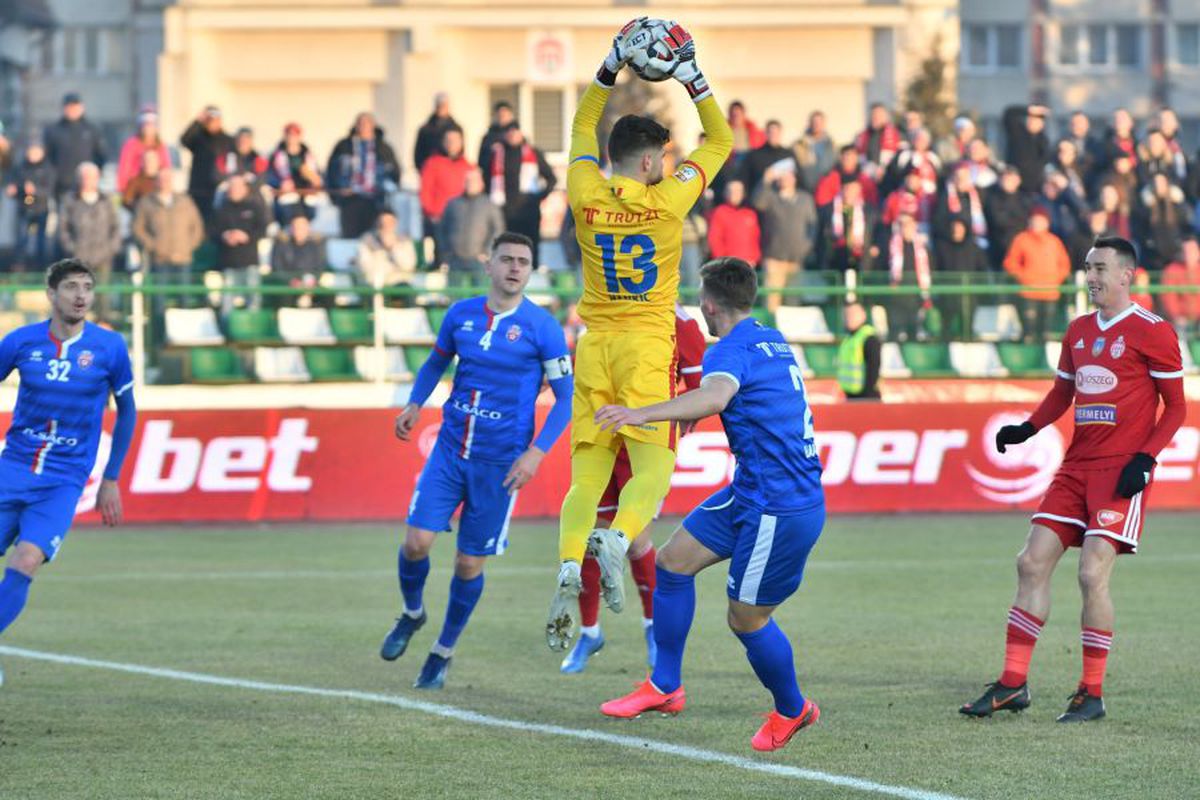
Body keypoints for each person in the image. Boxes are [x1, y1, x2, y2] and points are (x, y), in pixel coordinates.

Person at [548, 20, 733, 651]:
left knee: (585, 473)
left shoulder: (583, 189)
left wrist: (607, 68)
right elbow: (723, 138)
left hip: (593, 344)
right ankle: (620, 537)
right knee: (653, 466)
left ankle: (572, 561)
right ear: (653, 161)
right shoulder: (668, 200)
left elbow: (577, 130)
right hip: (645, 344)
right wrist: (691, 79)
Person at [596, 257, 825, 753]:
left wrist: (639, 414)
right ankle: (665, 686)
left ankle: (793, 709)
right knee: (674, 562)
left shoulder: (728, 352)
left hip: (780, 507)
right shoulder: (770, 337)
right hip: (755, 490)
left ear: (708, 303)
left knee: (745, 619)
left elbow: (716, 395)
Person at [960, 236, 1185, 723]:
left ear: (1127, 275)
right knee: (1031, 563)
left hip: (1120, 471)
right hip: (1075, 467)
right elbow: (1063, 392)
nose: (1091, 277)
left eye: (1101, 268)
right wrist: (1029, 427)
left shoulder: (1154, 331)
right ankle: (1013, 684)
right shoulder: (1079, 330)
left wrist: (1145, 458)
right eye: (1088, 268)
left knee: (1090, 574)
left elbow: (1178, 407)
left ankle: (1091, 693)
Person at [384, 232, 573, 689]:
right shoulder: (460, 314)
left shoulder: (543, 328)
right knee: (416, 544)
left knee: (469, 565)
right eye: (506, 259)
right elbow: (434, 363)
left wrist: (536, 453)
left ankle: (442, 651)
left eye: (523, 262)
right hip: (450, 452)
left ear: (530, 272)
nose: (514, 268)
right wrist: (415, 402)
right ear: (488, 265)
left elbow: (567, 399)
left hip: (501, 464)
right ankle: (412, 613)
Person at [0, 259, 137, 687]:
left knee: (26, 559)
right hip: (13, 468)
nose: (81, 295)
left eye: (87, 287)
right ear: (52, 295)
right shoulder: (20, 342)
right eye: (72, 287)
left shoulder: (110, 347)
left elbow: (128, 410)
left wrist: (111, 478)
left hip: (63, 479)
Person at [561, 303, 708, 674]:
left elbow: (699, 388)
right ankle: (590, 632)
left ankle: (652, 630)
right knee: (594, 536)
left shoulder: (681, 321)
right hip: (600, 434)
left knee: (636, 541)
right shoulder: (604, 310)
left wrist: (672, 418)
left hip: (643, 440)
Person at [132, 169, 205, 316]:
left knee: (184, 298)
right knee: (159, 301)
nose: (165, 182)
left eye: (168, 179)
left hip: (183, 259)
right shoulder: (146, 203)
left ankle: (182, 336)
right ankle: (160, 335)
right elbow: (138, 229)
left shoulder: (186, 201)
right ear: (156, 181)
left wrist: (188, 247)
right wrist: (153, 246)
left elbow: (197, 227)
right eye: (161, 179)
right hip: (159, 260)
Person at [480, 121, 555, 262]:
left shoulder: (533, 153)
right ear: (504, 135)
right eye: (509, 132)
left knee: (530, 248)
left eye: (515, 131)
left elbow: (551, 179)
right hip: (504, 213)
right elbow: (485, 178)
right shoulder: (496, 155)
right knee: (506, 250)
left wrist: (537, 197)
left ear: (521, 134)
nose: (512, 135)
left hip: (528, 212)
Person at [57, 163, 121, 321]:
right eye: (85, 177)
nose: (88, 181)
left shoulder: (106, 201)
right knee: (77, 296)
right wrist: (72, 249)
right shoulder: (70, 200)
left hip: (103, 257)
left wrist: (110, 249)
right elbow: (63, 229)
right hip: (79, 258)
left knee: (102, 296)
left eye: (92, 177)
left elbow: (116, 228)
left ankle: (102, 323)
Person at [327, 112, 401, 238]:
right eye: (361, 123)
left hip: (375, 200)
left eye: (367, 123)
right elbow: (331, 171)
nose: (364, 126)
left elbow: (394, 172)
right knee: (350, 237)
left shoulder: (383, 148)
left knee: (372, 237)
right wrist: (336, 194)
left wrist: (386, 189)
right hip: (350, 200)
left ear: (373, 126)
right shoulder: (344, 146)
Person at [1004, 207, 1071, 342]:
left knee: (1046, 331)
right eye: (1035, 220)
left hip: (1050, 293)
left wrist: (1055, 279)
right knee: (1029, 330)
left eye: (1041, 220)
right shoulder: (1021, 239)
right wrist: (1024, 277)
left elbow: (1064, 265)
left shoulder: (1054, 241)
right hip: (1029, 293)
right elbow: (1010, 263)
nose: (1037, 223)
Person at [753, 166, 816, 312]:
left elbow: (813, 226)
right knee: (771, 301)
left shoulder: (805, 199)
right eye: (781, 176)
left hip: (796, 259)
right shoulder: (771, 197)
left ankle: (792, 334)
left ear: (794, 178)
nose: (784, 180)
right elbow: (757, 202)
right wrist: (765, 181)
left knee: (793, 300)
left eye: (788, 176)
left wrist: (806, 248)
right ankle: (770, 334)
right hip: (774, 258)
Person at [440, 169, 505, 288]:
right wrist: (447, 253)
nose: (470, 184)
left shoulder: (489, 205)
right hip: (455, 259)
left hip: (479, 260)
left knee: (480, 299)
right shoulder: (453, 204)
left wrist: (487, 252)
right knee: (455, 298)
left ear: (481, 184)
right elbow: (442, 229)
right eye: (468, 181)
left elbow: (498, 229)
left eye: (474, 181)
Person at [212, 174, 269, 309]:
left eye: (238, 187)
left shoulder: (255, 207)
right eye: (232, 187)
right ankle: (227, 325)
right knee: (228, 299)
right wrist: (225, 236)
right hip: (228, 261)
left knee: (253, 298)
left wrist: (246, 236)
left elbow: (262, 229)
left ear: (245, 189)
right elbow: (213, 231)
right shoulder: (221, 209)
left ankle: (254, 326)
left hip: (249, 261)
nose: (234, 190)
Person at [44, 93, 106, 210]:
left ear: (82, 107)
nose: (72, 110)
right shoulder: (53, 131)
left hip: (87, 187)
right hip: (62, 187)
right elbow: (48, 159)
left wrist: (94, 178)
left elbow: (101, 156)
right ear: (64, 108)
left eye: (75, 106)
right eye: (69, 107)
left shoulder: (92, 129)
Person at [419, 127, 473, 262]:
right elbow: (425, 191)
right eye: (448, 140)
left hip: (462, 220)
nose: (451, 144)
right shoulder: (432, 163)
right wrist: (431, 213)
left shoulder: (468, 166)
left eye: (455, 140)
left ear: (461, 142)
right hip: (439, 218)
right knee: (441, 256)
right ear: (443, 142)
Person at [180, 105, 234, 226]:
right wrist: (197, 121)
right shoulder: (198, 139)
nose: (212, 123)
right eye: (209, 120)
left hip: (218, 190)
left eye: (215, 120)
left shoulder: (228, 141)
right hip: (198, 190)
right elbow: (184, 140)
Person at [6, 142, 55, 269]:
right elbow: (13, 184)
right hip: (24, 208)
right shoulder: (21, 167)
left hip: (41, 208)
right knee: (22, 239)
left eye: (35, 152)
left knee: (41, 240)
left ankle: (41, 266)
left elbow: (49, 190)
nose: (32, 155)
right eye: (30, 152)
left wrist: (35, 191)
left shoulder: (48, 168)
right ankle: (19, 266)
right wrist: (15, 190)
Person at [267, 123, 323, 224]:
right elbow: (269, 177)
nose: (292, 138)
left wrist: (312, 177)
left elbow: (318, 178)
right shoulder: (276, 155)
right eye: (289, 134)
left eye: (294, 135)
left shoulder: (308, 155)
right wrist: (280, 184)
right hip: (286, 198)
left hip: (306, 196)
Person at [817, 179, 876, 272]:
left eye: (853, 189)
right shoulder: (829, 210)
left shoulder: (868, 211)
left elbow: (876, 232)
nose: (850, 193)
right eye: (847, 189)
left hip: (860, 261)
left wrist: (873, 247)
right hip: (835, 261)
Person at [268, 214, 325, 306]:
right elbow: (277, 268)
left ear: (308, 229)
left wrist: (310, 284)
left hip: (310, 285)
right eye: (296, 227)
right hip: (287, 285)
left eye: (302, 227)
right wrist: (292, 282)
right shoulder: (281, 244)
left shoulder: (316, 246)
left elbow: (320, 267)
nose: (299, 230)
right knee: (284, 297)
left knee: (327, 295)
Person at [116, 104, 171, 199]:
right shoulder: (131, 145)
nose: (149, 128)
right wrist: (124, 190)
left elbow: (166, 168)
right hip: (136, 189)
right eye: (146, 124)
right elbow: (124, 170)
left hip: (157, 188)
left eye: (152, 124)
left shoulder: (160, 146)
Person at [356, 210, 417, 292]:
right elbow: (365, 265)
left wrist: (393, 248)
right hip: (373, 283)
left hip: (398, 283)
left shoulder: (404, 241)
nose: (386, 226)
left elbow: (408, 265)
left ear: (395, 223)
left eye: (390, 222)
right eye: (383, 223)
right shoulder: (367, 240)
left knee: (407, 290)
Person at [706, 180, 760, 268]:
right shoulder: (719, 212)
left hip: (749, 263)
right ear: (725, 193)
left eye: (738, 191)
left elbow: (755, 237)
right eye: (730, 191)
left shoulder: (750, 214)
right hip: (728, 265)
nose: (734, 194)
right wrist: (723, 261)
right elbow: (714, 239)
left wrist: (755, 258)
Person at [836, 302, 881, 400]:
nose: (849, 318)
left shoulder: (869, 338)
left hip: (866, 397)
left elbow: (873, 369)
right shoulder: (849, 338)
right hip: (850, 395)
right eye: (847, 315)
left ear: (863, 315)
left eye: (853, 314)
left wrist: (867, 396)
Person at [1003, 104, 1050, 192]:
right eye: (1030, 118)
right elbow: (1009, 114)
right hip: (1016, 187)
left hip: (1035, 188)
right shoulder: (1018, 133)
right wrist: (1030, 110)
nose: (1032, 122)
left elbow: (1044, 161)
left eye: (1036, 120)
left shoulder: (1043, 140)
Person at [413, 92, 460, 172]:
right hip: (430, 171)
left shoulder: (456, 129)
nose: (441, 108)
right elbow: (418, 155)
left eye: (444, 105)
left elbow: (459, 154)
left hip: (450, 173)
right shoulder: (425, 130)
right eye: (439, 105)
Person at [1161, 238, 1200, 335]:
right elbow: (1169, 297)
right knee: (1179, 339)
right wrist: (1176, 316)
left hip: (1198, 319)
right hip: (1179, 321)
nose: (1188, 254)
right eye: (1185, 251)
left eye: (1191, 251)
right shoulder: (1172, 270)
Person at [855, 102, 901, 182]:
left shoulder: (896, 134)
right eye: (873, 115)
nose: (875, 118)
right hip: (868, 176)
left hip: (890, 176)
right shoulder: (862, 136)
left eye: (879, 115)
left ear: (885, 117)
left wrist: (884, 169)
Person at [792, 111, 834, 191]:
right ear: (809, 123)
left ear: (824, 124)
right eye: (814, 122)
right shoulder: (798, 145)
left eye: (819, 122)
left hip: (826, 189)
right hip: (805, 187)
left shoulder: (832, 145)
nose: (816, 125)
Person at [477, 101, 515, 168]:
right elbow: (481, 162)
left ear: (511, 116)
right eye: (499, 115)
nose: (501, 117)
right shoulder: (488, 138)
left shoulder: (517, 137)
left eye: (504, 115)